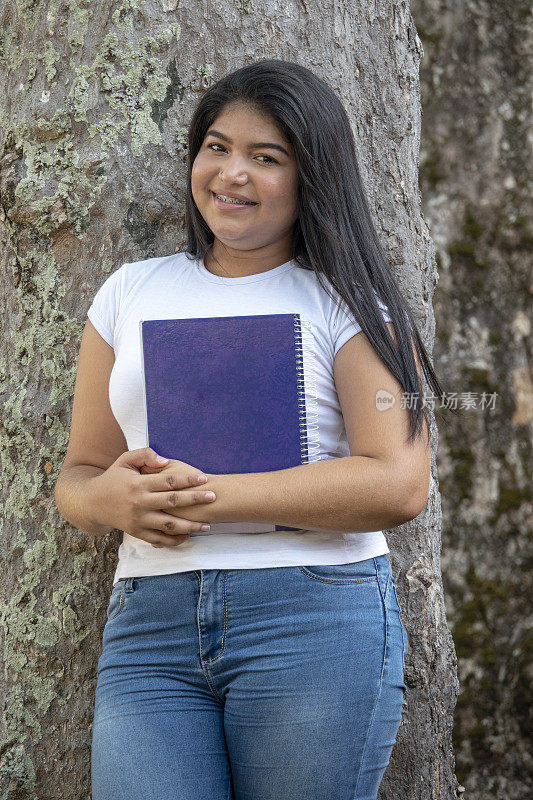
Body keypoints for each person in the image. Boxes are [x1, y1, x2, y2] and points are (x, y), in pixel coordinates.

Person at [54, 58, 440, 800]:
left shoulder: (348, 301)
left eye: (267, 158)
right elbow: (80, 472)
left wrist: (203, 498)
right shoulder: (129, 291)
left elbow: (396, 482)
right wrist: (110, 503)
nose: (231, 174)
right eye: (216, 147)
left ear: (310, 177)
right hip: (151, 625)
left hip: (313, 618)